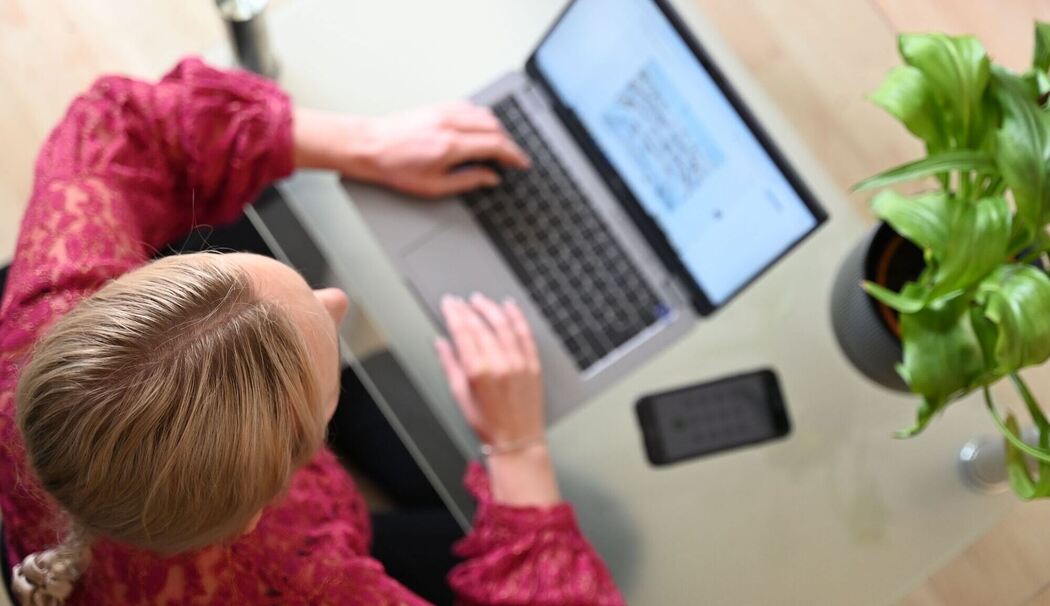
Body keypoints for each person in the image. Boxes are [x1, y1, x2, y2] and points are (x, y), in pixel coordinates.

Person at [0, 58, 624, 605]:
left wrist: (368, 144)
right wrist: (518, 450)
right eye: (314, 394)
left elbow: (120, 122)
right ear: (251, 515)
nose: (335, 301)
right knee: (612, 529)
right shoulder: (298, 586)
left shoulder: (45, 313)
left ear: (111, 301)